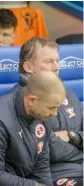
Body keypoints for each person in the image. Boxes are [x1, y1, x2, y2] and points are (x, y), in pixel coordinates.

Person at [17, 36, 83, 186]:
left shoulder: (69, 94)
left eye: (57, 61)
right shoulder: (24, 101)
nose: (56, 67)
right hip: (54, 175)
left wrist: (71, 136)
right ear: (28, 67)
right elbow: (50, 150)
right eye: (49, 62)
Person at [0, 71, 66, 186]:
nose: (54, 113)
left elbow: (41, 167)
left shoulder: (43, 116)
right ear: (32, 100)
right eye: (51, 108)